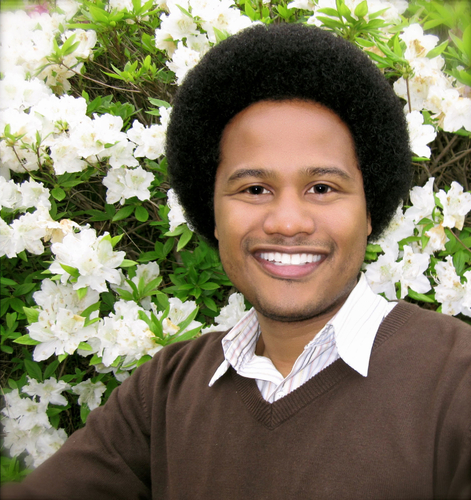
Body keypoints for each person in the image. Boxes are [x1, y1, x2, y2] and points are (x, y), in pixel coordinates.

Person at [2, 23, 471, 500]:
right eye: (255, 189)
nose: (287, 222)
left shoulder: (457, 381)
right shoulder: (164, 392)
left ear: (370, 211)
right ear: (212, 214)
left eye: (322, 188)